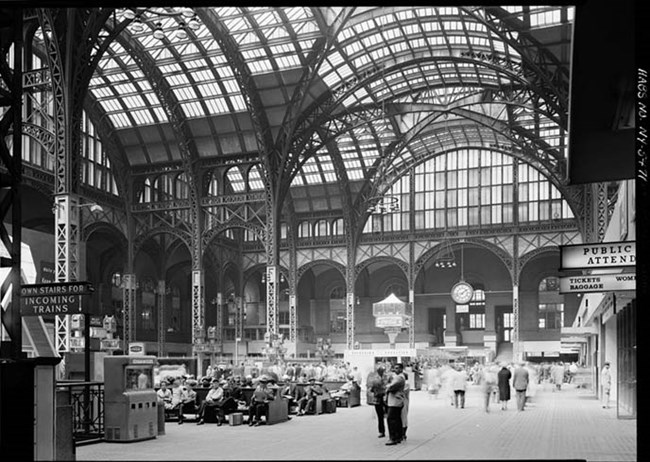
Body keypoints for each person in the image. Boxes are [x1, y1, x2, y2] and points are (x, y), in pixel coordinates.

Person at [385, 364, 406, 446]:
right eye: (395, 368)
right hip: (397, 401)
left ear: (401, 369)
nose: (395, 369)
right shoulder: (399, 377)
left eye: (397, 368)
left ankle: (393, 438)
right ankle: (398, 436)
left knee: (391, 419)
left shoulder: (399, 378)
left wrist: (387, 386)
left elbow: (391, 387)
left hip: (395, 401)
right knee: (397, 419)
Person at [368, 365, 388, 438]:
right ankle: (381, 431)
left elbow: (387, 386)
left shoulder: (387, 377)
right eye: (379, 370)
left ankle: (392, 432)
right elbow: (371, 388)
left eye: (382, 370)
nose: (381, 371)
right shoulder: (374, 378)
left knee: (390, 415)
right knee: (380, 416)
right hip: (378, 398)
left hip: (386, 398)